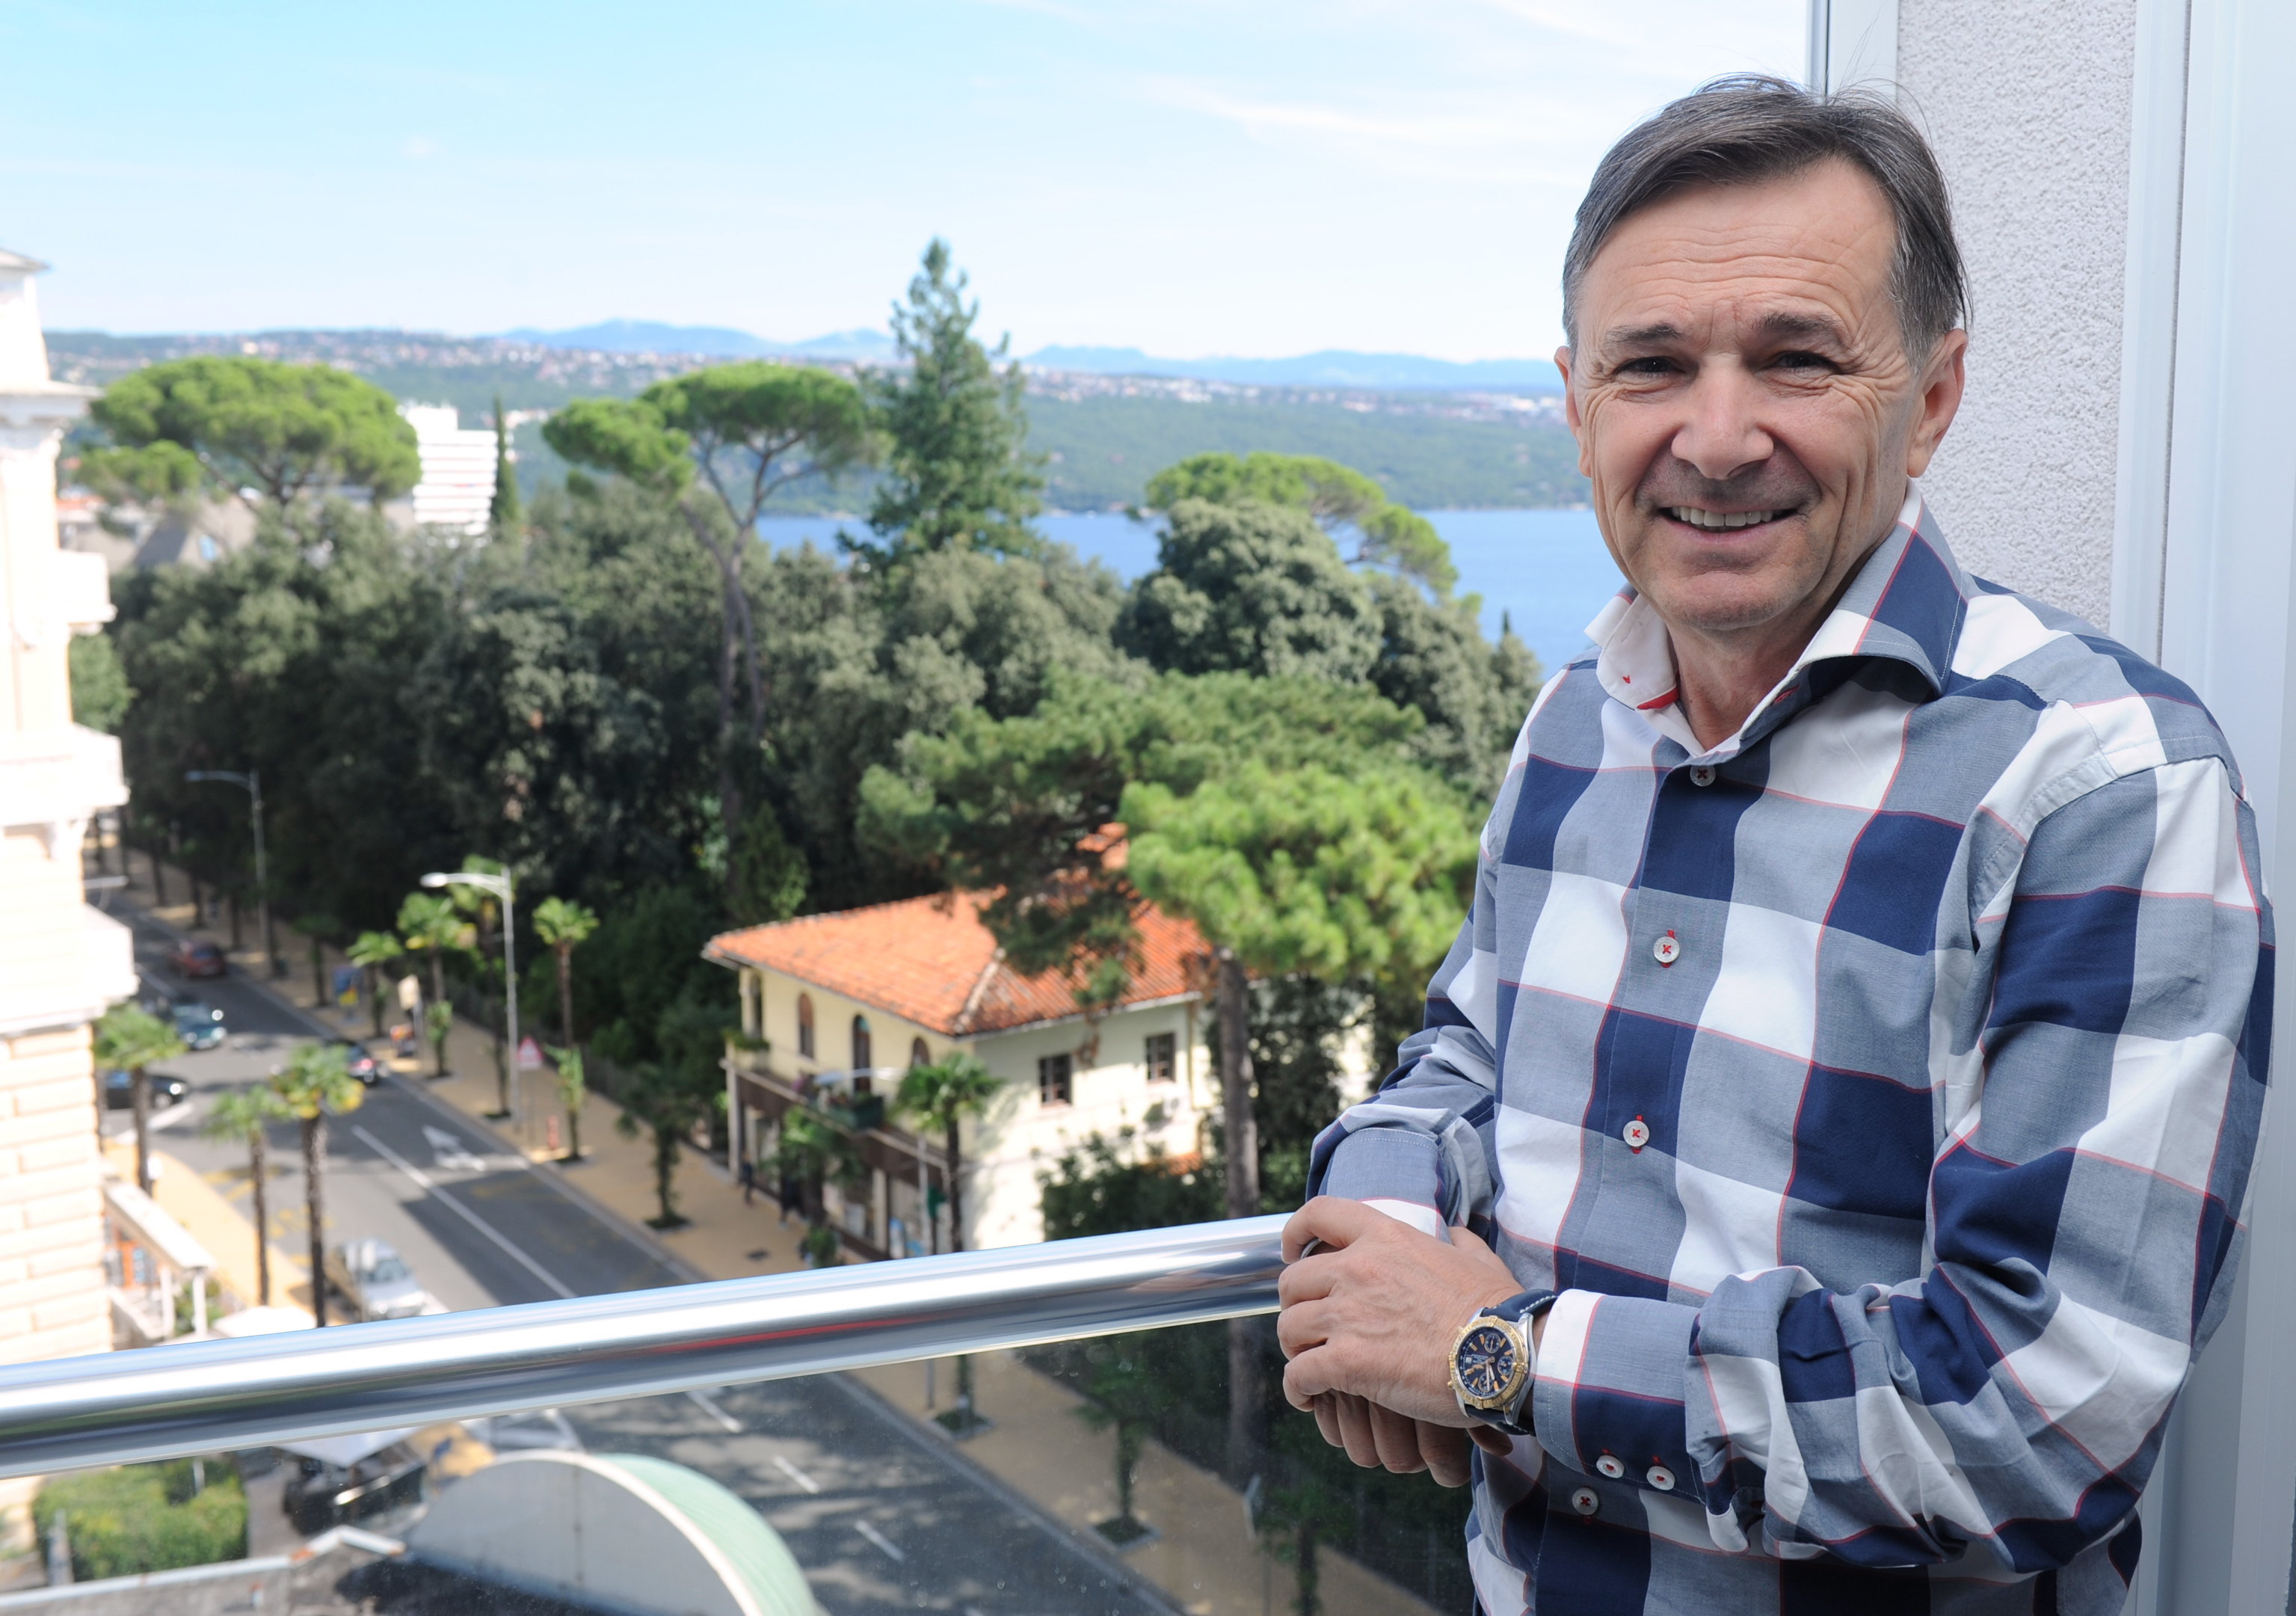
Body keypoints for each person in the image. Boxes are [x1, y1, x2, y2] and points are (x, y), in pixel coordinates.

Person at [1275, 76, 2268, 1615]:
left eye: (1797, 359)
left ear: (1930, 397)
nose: (1717, 436)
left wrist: (1494, 1358)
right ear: (1576, 398)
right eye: (1652, 364)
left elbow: (2035, 1419)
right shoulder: (1574, 721)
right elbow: (1472, 1047)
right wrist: (1391, 1222)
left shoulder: (2099, 781)